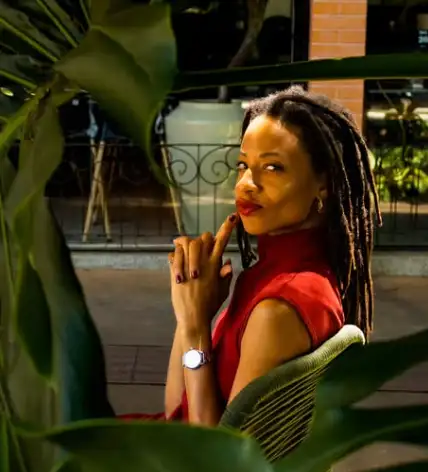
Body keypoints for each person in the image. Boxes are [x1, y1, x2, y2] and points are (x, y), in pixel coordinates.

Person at [120, 85, 381, 426]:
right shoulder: (276, 277)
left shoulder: (280, 306)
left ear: (324, 184)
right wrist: (190, 313)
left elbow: (214, 451)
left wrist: (197, 328)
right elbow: (177, 410)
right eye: (243, 165)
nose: (245, 183)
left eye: (273, 168)